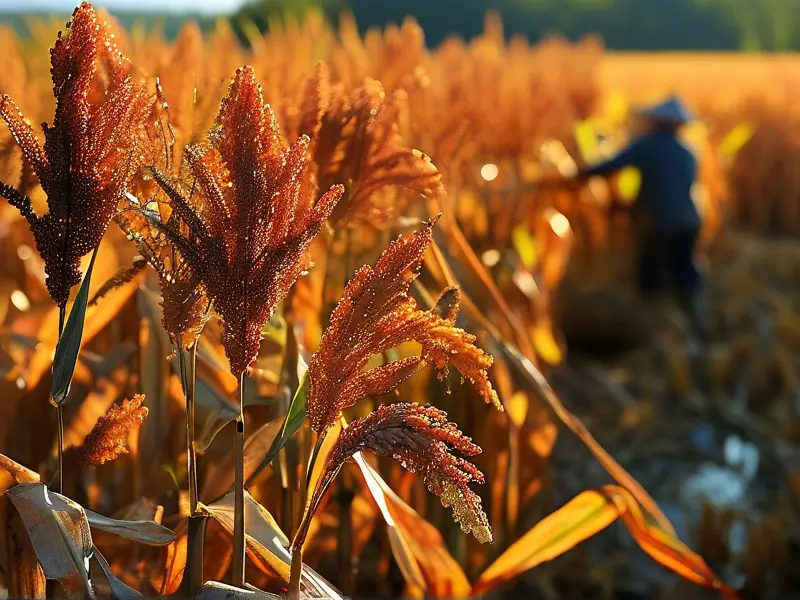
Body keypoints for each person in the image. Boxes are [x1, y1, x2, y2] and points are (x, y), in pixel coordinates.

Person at [572, 95, 708, 340]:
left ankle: (654, 332)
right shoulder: (689, 151)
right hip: (690, 219)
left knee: (651, 272)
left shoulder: (648, 145)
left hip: (660, 221)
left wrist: (578, 174)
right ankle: (694, 325)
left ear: (656, 122)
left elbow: (612, 165)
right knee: (684, 269)